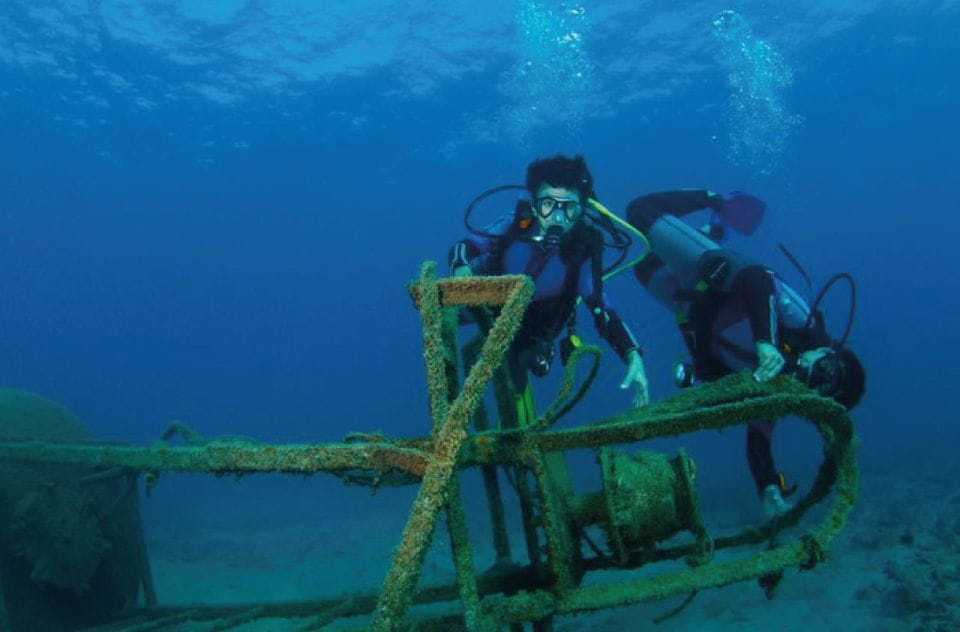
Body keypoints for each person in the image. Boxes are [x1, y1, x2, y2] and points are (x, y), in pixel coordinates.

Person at [625, 189, 866, 515]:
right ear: (829, 351)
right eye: (825, 369)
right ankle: (713, 199)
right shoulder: (801, 322)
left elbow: (758, 440)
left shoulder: (779, 389)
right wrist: (765, 341)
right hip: (705, 272)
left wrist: (768, 488)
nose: (812, 376)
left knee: (635, 256)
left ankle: (709, 230)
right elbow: (756, 279)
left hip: (685, 304)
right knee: (639, 213)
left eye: (820, 387)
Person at [449, 155, 648, 426]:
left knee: (521, 366)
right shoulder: (513, 225)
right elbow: (465, 245)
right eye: (547, 204)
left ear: (581, 209)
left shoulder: (584, 247)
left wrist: (632, 353)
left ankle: (514, 434)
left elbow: (599, 303)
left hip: (538, 320)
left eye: (568, 208)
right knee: (446, 318)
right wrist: (461, 268)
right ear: (533, 204)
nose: (556, 216)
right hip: (488, 299)